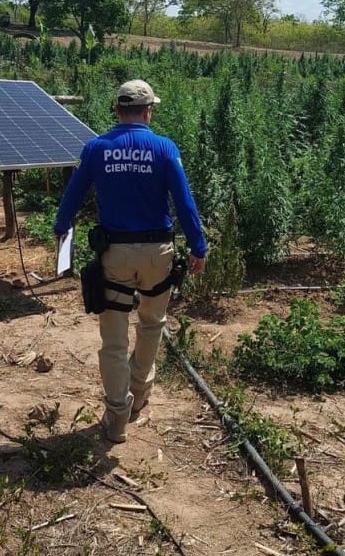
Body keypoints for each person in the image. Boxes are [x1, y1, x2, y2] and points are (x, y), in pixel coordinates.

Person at [54, 79, 206, 443]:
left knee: (113, 340)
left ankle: (117, 417)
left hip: (115, 254)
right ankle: (140, 395)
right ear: (148, 110)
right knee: (153, 324)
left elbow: (72, 197)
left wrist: (62, 229)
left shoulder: (96, 149)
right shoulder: (165, 148)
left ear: (117, 110)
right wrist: (198, 247)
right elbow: (184, 204)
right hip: (158, 254)